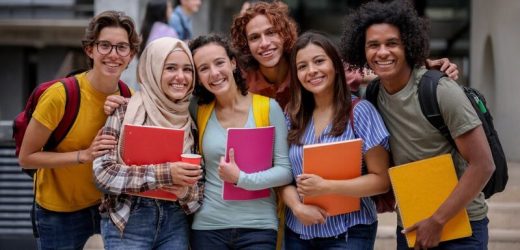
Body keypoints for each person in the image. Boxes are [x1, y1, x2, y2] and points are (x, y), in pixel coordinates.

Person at [340, 1, 494, 249]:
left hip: (460, 226)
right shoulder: (374, 95)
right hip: (412, 226)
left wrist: (437, 221)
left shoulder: (440, 90)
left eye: (392, 43)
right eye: (373, 45)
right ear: (362, 50)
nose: (382, 52)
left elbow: (483, 164)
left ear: (408, 45)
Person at [17, 10, 139, 250]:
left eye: (122, 47)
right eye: (105, 45)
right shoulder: (60, 96)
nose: (113, 55)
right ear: (89, 50)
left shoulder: (129, 98)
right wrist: (83, 155)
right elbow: (26, 158)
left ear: (131, 55)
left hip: (107, 209)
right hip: (59, 214)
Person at [230, 0, 460, 109]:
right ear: (246, 44)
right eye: (254, 37)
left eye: (271, 33)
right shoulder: (241, 78)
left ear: (284, 34)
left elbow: (368, 71)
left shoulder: (307, 60)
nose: (265, 43)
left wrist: (423, 65)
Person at [281, 31, 390, 249]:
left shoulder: (360, 112)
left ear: (335, 66)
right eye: (302, 66)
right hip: (298, 232)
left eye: (319, 61)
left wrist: (326, 186)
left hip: (349, 233)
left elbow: (382, 181)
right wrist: (297, 207)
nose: (312, 71)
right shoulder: (291, 115)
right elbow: (283, 177)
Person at [93, 37, 203, 249]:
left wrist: (184, 193)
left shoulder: (192, 119)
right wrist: (166, 174)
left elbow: (198, 194)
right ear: (152, 69)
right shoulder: (124, 111)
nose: (181, 77)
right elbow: (102, 174)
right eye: (170, 68)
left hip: (175, 222)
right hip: (128, 220)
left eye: (187, 69)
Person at [188, 34, 292, 250]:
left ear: (233, 63)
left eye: (219, 62)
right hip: (208, 227)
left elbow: (285, 171)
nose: (214, 73)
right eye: (204, 68)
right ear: (197, 77)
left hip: (259, 226)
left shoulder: (268, 108)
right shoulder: (198, 111)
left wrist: (241, 179)